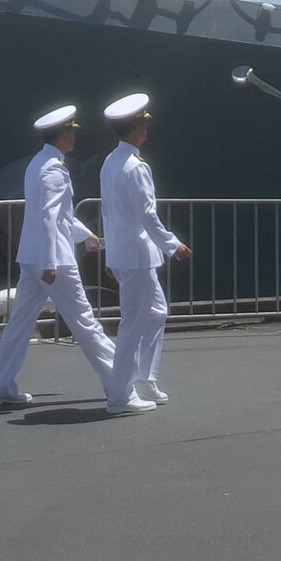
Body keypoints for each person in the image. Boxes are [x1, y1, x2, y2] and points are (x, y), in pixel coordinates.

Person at [0, 105, 115, 406]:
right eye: (72, 133)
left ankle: (0, 387)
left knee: (18, 324)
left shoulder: (38, 163)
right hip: (52, 259)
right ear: (64, 136)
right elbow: (49, 217)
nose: (74, 138)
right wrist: (50, 262)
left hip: (32, 257)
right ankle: (122, 383)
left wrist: (87, 236)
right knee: (85, 322)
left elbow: (60, 215)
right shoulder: (54, 168)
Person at [98, 93, 186, 415]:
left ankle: (146, 378)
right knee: (132, 323)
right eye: (144, 124)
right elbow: (147, 215)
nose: (147, 129)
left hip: (126, 253)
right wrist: (173, 245)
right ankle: (121, 394)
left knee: (156, 312)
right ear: (136, 128)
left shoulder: (110, 161)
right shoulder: (136, 167)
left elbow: (110, 210)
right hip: (136, 255)